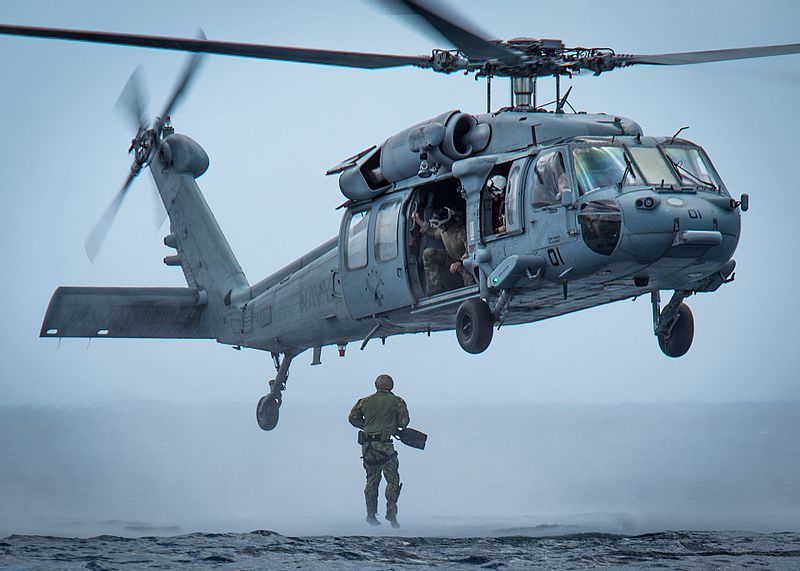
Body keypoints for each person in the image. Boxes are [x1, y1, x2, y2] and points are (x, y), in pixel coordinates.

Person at [348, 374, 410, 528]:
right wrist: (390, 425)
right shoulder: (398, 401)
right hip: (385, 446)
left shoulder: (364, 401)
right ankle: (391, 513)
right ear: (392, 386)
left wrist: (367, 425)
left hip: (368, 446)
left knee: (372, 480)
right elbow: (404, 422)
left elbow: (352, 418)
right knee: (392, 480)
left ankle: (371, 515)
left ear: (376, 385)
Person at [411, 206, 475, 295]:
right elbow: (432, 231)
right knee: (428, 253)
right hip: (450, 257)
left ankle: (472, 295)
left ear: (446, 223)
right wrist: (418, 221)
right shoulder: (442, 231)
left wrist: (460, 262)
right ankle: (435, 289)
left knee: (469, 279)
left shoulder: (461, 232)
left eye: (441, 225)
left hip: (463, 261)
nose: (440, 227)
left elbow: (471, 250)